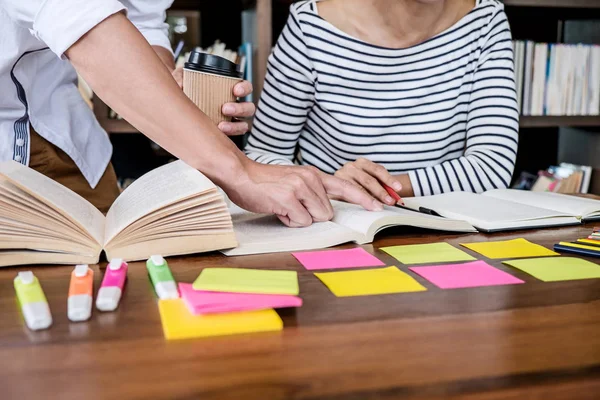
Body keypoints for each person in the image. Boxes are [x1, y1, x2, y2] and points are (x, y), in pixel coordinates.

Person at [0, 0, 381, 228]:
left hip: (73, 143)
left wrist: (175, 96)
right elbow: (81, 21)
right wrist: (239, 170)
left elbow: (143, 20)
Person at [244, 0, 519, 206]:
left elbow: (492, 166)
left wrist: (377, 187)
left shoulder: (485, 20)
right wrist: (331, 186)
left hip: (444, 227)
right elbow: (261, 156)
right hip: (335, 223)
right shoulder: (310, 26)